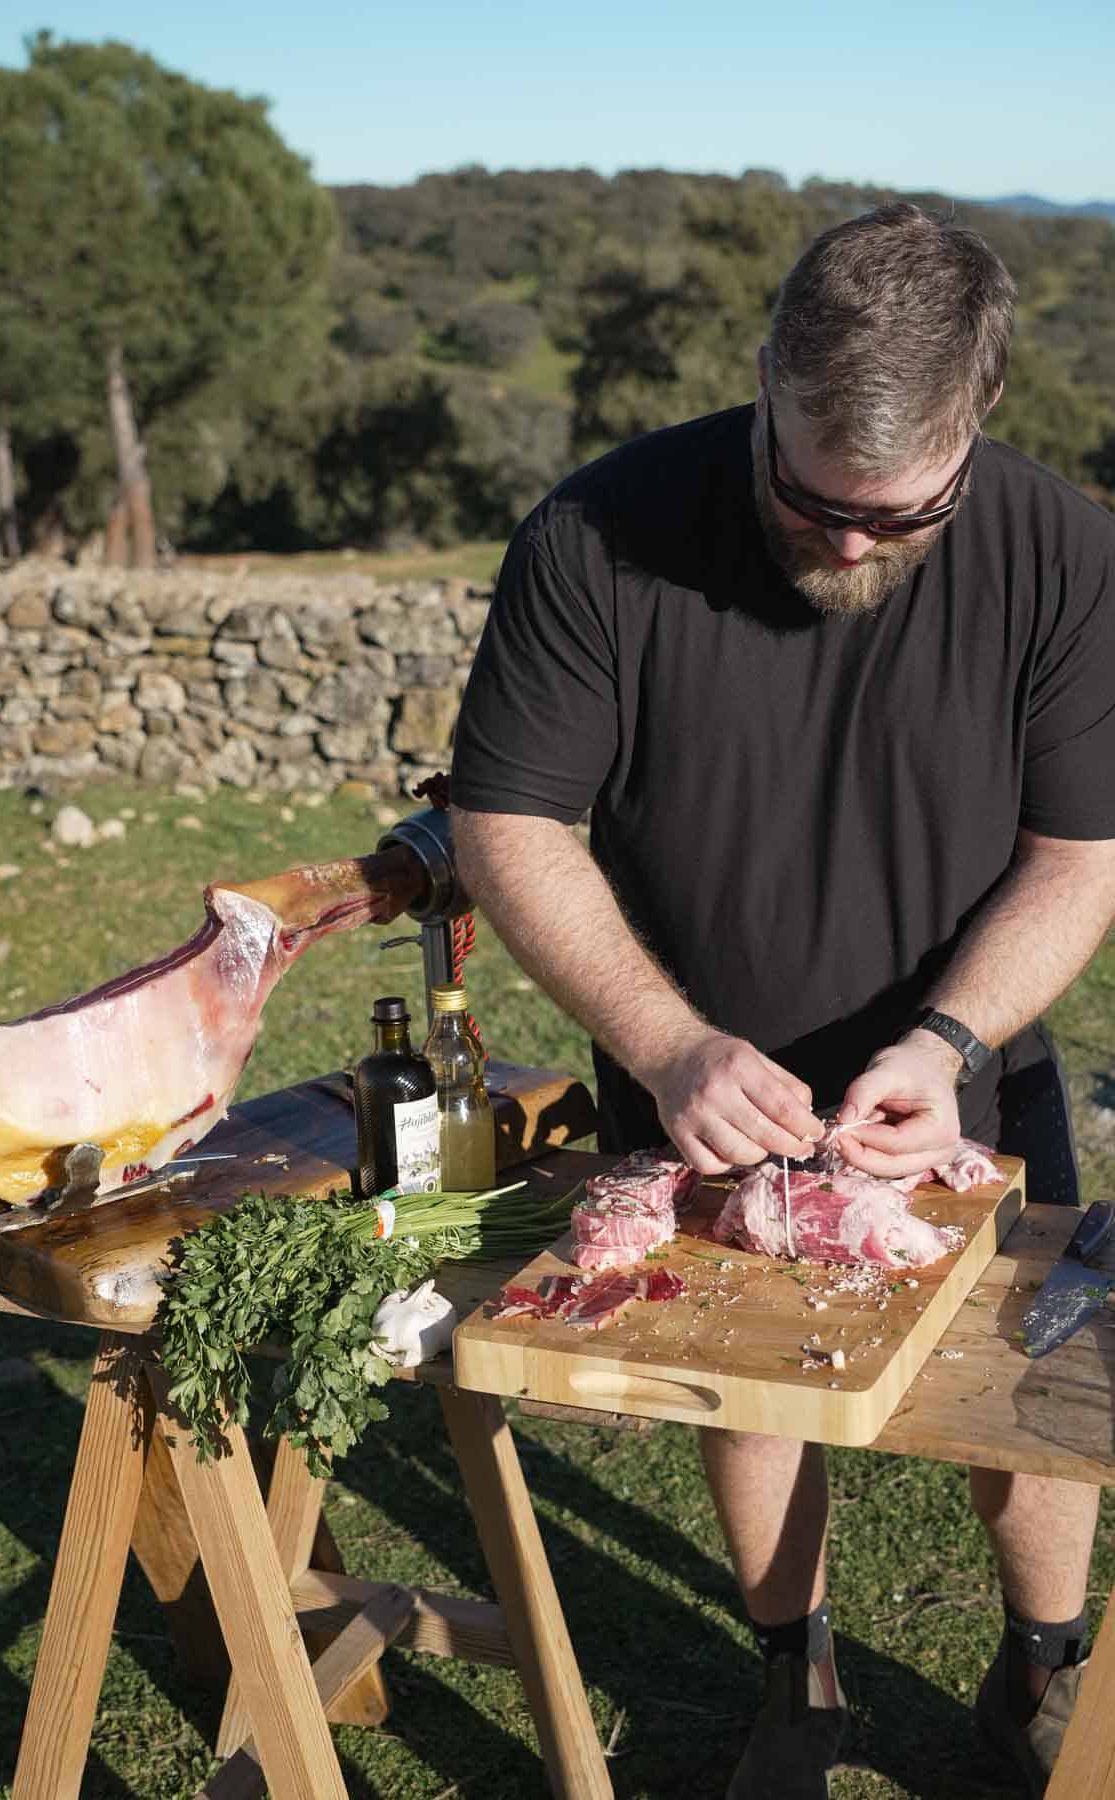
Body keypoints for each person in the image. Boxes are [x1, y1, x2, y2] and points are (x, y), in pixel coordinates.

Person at [448, 201, 1115, 1798]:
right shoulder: (596, 533)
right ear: (763, 380)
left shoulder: (1069, 554)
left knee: (1019, 1400)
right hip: (690, 1069)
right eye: (811, 499)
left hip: (958, 1074)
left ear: (982, 415)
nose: (851, 543)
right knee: (748, 1386)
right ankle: (794, 1677)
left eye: (901, 514)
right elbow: (506, 820)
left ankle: (1043, 1665)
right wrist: (664, 1040)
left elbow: (1078, 859)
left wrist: (949, 1043)